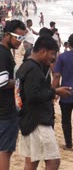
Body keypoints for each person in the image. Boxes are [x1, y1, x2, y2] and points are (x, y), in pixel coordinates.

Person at [16, 36, 72, 170]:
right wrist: (55, 92)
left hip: (27, 119)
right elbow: (33, 96)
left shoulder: (25, 66)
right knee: (53, 161)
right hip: (38, 121)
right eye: (52, 54)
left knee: (31, 161)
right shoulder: (33, 70)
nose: (53, 58)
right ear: (43, 51)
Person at [0, 20, 27, 169]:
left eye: (23, 38)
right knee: (6, 150)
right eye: (19, 37)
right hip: (5, 112)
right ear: (8, 35)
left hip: (5, 110)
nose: (20, 42)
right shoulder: (3, 53)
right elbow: (2, 82)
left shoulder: (5, 52)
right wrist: (19, 81)